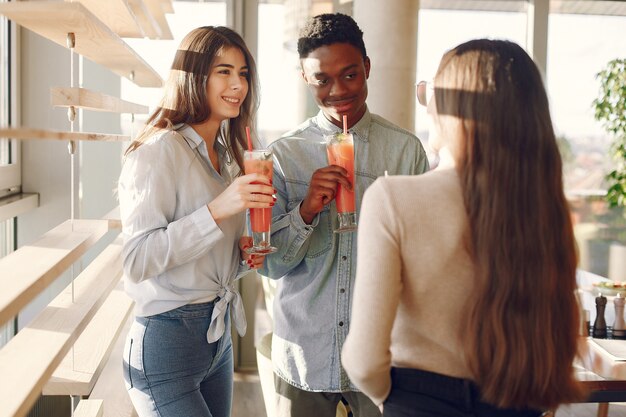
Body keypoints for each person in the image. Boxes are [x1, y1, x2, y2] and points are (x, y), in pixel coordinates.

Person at [342, 39, 585, 416]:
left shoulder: (393, 199)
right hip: (518, 403)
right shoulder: (543, 206)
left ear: (453, 107)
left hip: (419, 402)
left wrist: (400, 401)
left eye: (430, 93)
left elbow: (363, 360)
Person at [259, 13, 430, 417]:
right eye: (322, 80)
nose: (338, 90)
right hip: (303, 357)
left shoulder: (406, 153)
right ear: (305, 77)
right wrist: (305, 210)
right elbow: (268, 265)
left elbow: (425, 263)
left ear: (367, 67)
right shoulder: (284, 155)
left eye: (350, 75)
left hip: (381, 361)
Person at [117, 26, 274, 417]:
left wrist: (241, 256)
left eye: (243, 73)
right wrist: (217, 211)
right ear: (194, 77)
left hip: (216, 341)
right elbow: (136, 261)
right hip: (166, 342)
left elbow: (204, 256)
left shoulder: (228, 157)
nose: (238, 84)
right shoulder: (158, 151)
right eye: (224, 71)